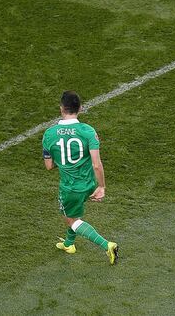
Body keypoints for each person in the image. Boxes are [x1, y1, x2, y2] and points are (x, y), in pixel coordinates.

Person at [42, 90, 118, 265]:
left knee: (72, 219)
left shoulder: (49, 134)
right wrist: (101, 186)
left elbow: (49, 166)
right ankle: (69, 244)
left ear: (61, 108)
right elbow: (96, 164)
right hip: (89, 183)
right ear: (80, 108)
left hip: (70, 188)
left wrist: (60, 159)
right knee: (73, 212)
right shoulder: (88, 131)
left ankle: (107, 245)